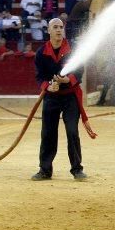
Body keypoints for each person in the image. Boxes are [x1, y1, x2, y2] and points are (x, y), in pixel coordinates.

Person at [32, 18, 97, 181]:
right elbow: (39, 77)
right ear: (48, 31)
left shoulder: (73, 49)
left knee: (72, 131)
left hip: (70, 97)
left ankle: (77, 169)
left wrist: (69, 80)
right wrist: (48, 87)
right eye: (55, 27)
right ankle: (45, 170)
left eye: (61, 27)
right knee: (47, 133)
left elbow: (80, 70)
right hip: (51, 97)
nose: (59, 30)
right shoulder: (41, 53)